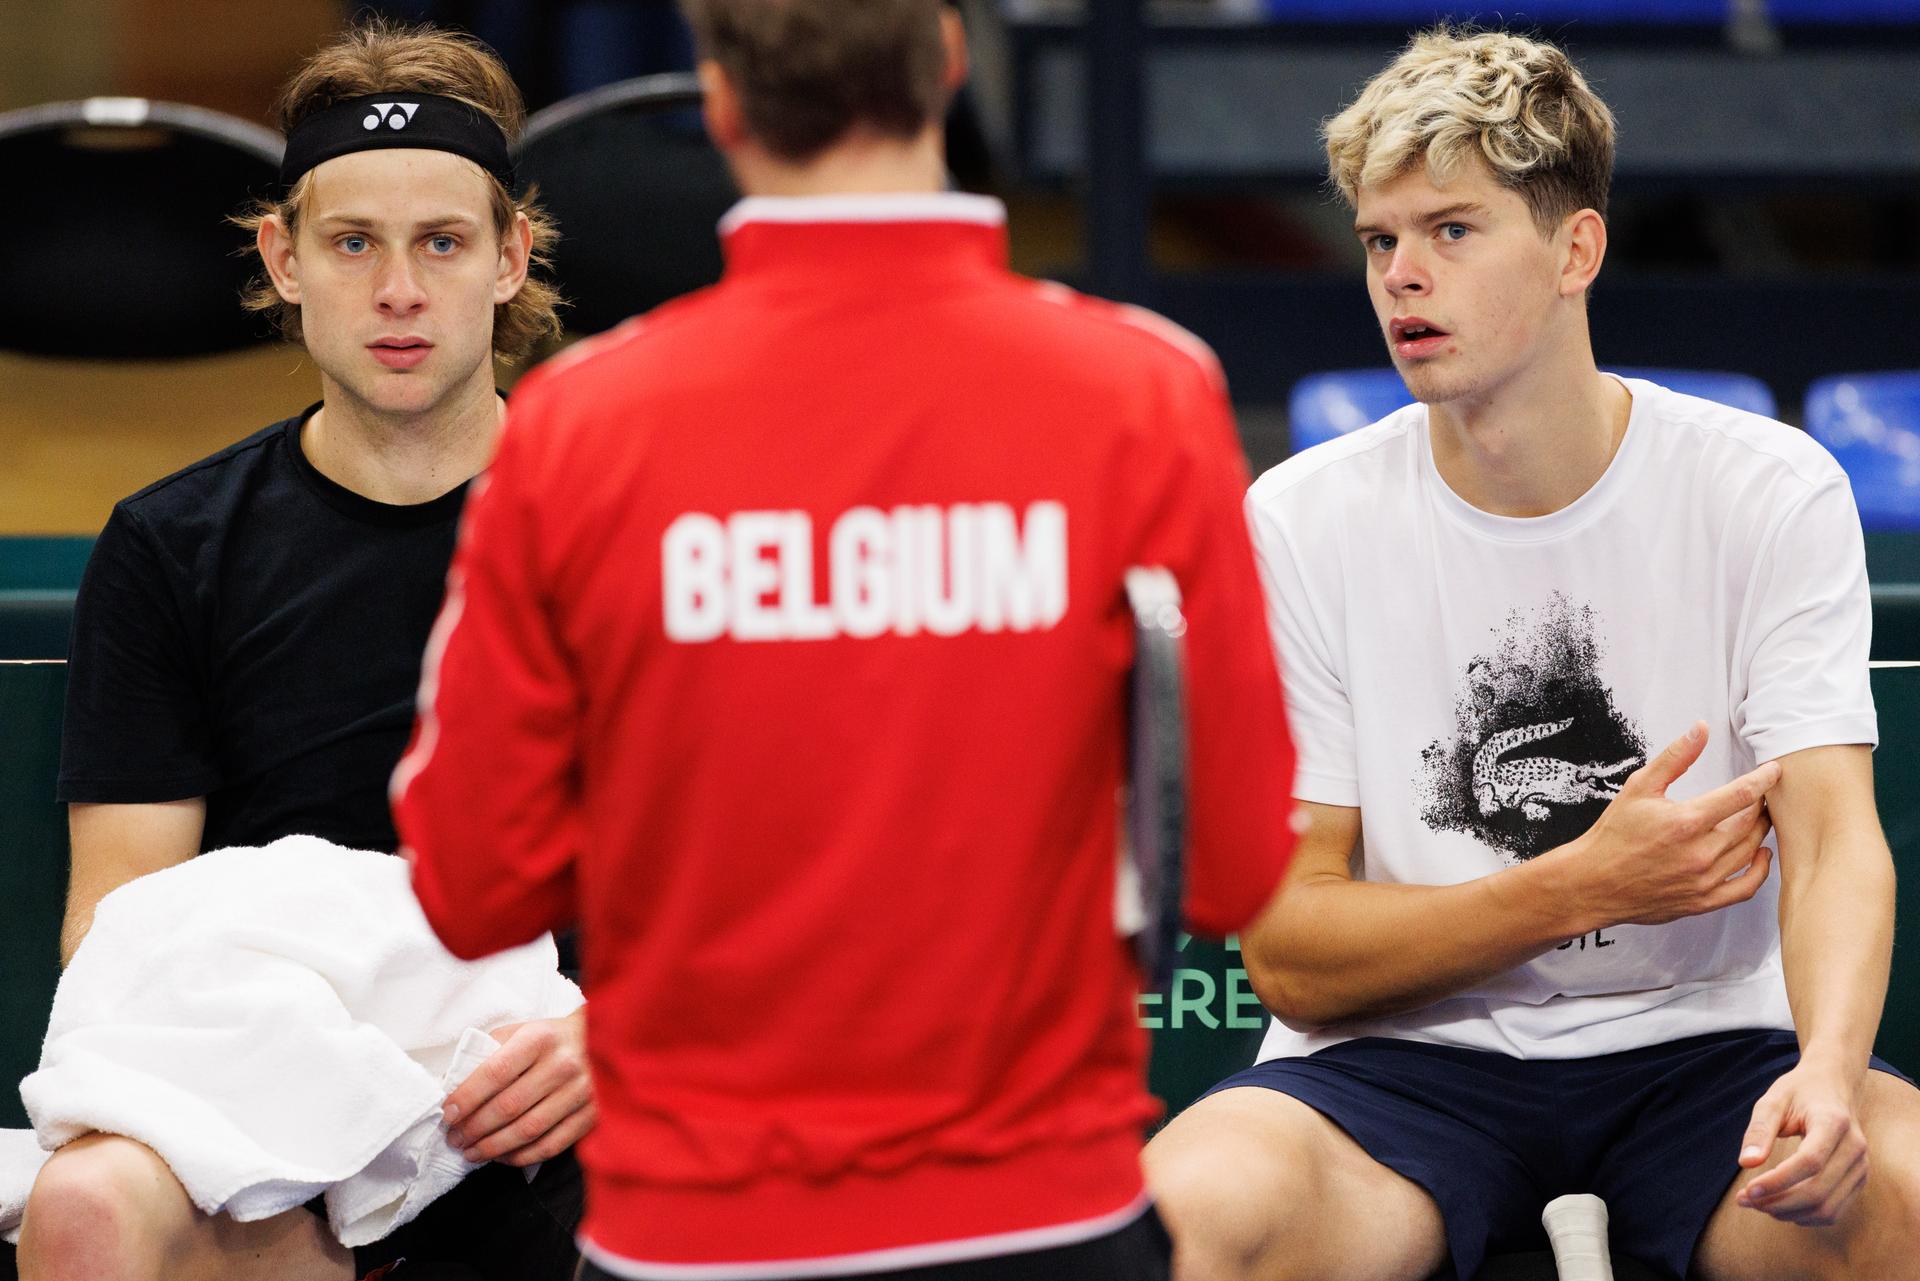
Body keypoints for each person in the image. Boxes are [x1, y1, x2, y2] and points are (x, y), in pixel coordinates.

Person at [390, 1, 1300, 1278]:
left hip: (695, 1232)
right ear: (950, 65)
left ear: (719, 102)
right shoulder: (1144, 391)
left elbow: (472, 880)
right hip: (1045, 1211)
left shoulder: (576, 426)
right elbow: (1236, 869)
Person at [1142, 26, 1920, 1281]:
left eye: (1451, 230)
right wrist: (1579, 887)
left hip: (1716, 1052)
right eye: (1379, 240)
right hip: (1396, 1066)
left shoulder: (1769, 487)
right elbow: (1290, 952)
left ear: (1576, 250)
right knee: (1187, 1219)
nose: (1403, 276)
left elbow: (1833, 842)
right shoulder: (1299, 517)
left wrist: (1828, 1073)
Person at [22, 20, 589, 1281]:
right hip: (277, 1102)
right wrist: (308, 1085)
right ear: (284, 258)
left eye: (442, 242)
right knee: (88, 1205)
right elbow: (119, 920)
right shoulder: (171, 546)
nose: (400, 291)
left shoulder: (630, 528)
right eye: (353, 243)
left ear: (511, 258)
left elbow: (764, 879)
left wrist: (623, 1040)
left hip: (563, 1094)